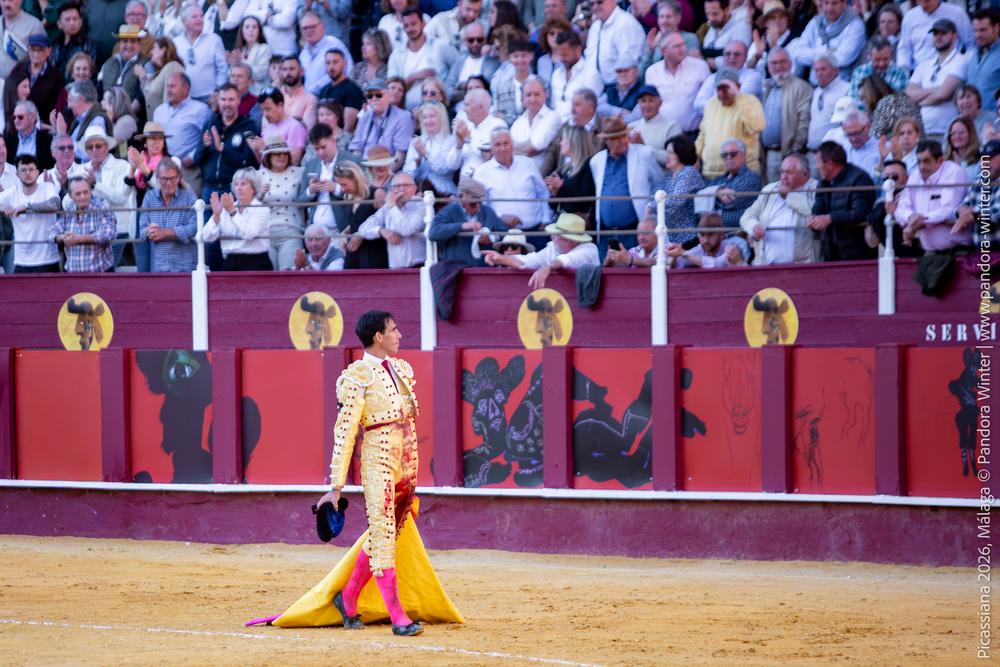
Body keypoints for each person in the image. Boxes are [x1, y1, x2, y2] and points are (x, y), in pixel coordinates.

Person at [317, 310, 426, 637]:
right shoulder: (357, 376)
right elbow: (345, 432)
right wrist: (336, 486)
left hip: (406, 462)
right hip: (378, 461)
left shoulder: (400, 369)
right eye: (394, 330)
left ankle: (348, 599)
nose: (399, 335)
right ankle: (398, 616)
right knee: (382, 534)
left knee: (386, 534)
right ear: (378, 336)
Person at [589, 116, 664, 255]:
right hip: (606, 234)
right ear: (607, 140)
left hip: (634, 232)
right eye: (617, 138)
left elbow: (659, 183)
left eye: (624, 135)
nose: (623, 140)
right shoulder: (596, 161)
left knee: (633, 267)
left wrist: (649, 208)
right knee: (606, 268)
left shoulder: (644, 153)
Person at [66, 125, 135, 267]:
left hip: (116, 231)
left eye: (98, 146)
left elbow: (121, 198)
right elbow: (66, 204)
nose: (94, 150)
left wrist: (95, 185)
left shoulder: (122, 166)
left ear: (106, 147)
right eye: (89, 147)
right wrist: (74, 193)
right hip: (87, 232)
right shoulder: (79, 169)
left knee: (104, 272)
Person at [483, 211, 599, 289]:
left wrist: (548, 267)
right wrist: (502, 259)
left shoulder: (589, 250)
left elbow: (568, 259)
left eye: (555, 234)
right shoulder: (553, 248)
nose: (551, 237)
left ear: (568, 240)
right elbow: (531, 259)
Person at [893, 140, 971, 253]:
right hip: (930, 252)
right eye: (919, 161)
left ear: (940, 160)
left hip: (958, 251)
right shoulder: (915, 176)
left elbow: (948, 210)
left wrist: (918, 222)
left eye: (926, 161)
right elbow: (901, 208)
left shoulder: (953, 172)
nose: (921, 166)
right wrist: (911, 217)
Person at [740, 152, 818, 264]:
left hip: (801, 266)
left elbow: (816, 213)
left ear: (805, 174)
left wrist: (789, 196)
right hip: (765, 265)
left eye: (789, 172)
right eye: (782, 171)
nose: (783, 177)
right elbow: (747, 216)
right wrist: (754, 227)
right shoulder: (770, 189)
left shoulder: (816, 189)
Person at [809, 140, 876, 261]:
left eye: (818, 162)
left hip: (857, 253)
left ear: (829, 164)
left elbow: (861, 213)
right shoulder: (823, 182)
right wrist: (814, 218)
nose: (817, 167)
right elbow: (818, 206)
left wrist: (830, 218)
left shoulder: (860, 179)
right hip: (831, 251)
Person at [904, 19, 969, 143]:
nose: (938, 37)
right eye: (935, 34)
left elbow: (943, 94)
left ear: (954, 36)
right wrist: (936, 89)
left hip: (947, 131)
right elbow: (908, 94)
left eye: (943, 33)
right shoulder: (925, 63)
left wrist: (918, 101)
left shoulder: (961, 61)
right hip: (921, 131)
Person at [474, 128, 550, 231]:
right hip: (503, 233)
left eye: (506, 143)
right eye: (497, 144)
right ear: (491, 148)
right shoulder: (481, 172)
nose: (502, 148)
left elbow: (543, 194)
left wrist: (546, 220)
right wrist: (500, 216)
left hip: (536, 230)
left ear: (512, 145)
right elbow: (480, 206)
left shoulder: (529, 163)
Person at [695, 69, 765, 179]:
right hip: (710, 173)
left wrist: (738, 95)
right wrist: (695, 156)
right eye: (719, 88)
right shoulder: (710, 104)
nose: (723, 92)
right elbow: (703, 134)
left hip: (741, 173)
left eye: (727, 88)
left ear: (738, 86)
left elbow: (756, 126)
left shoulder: (750, 101)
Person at [387, 8, 458, 111]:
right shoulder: (396, 54)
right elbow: (391, 89)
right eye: (406, 25)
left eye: (413, 24)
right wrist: (413, 77)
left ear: (423, 24)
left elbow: (459, 64)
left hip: (437, 112)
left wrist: (447, 87)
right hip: (406, 113)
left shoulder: (440, 45)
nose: (410, 28)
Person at [201, 167, 272, 271]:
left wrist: (232, 212)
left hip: (256, 262)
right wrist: (216, 215)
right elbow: (207, 237)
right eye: (236, 184)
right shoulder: (227, 208)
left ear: (254, 188)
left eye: (243, 184)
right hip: (229, 262)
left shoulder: (261, 209)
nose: (239, 188)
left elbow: (249, 234)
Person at [152, 72, 212, 193]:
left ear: (186, 88)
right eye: (168, 86)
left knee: (190, 202)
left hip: (188, 168)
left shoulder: (200, 110)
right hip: (164, 168)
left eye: (173, 86)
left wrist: (193, 157)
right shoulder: (159, 111)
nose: (169, 90)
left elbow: (208, 137)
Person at [758, 46, 811, 183]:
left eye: (782, 62)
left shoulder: (801, 87)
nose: (778, 66)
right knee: (773, 193)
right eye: (774, 63)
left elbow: (804, 121)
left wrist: (795, 150)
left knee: (792, 193)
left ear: (790, 63)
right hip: (770, 155)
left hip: (790, 154)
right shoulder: (767, 87)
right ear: (768, 66)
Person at [1, 153, 61, 272]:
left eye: (31, 169)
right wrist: (3, 210)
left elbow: (54, 205)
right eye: (23, 170)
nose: (27, 173)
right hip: (21, 262)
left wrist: (26, 207)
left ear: (37, 172)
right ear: (17, 174)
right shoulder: (12, 192)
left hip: (48, 260)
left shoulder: (47, 187)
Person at [644, 31, 711, 136]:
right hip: (663, 135)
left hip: (694, 135)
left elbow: (710, 100)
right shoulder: (652, 72)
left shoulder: (700, 67)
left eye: (683, 45)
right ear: (663, 51)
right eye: (677, 46)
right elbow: (649, 104)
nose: (682, 49)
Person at [138, 159, 197, 273]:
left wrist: (165, 233)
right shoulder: (149, 197)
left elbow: (195, 227)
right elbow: (142, 231)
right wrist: (150, 232)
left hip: (185, 266)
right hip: (160, 266)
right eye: (165, 179)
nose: (169, 183)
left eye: (172, 178)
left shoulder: (189, 196)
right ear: (157, 178)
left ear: (178, 178)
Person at [48, 173, 117, 272]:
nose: (83, 196)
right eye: (78, 193)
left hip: (100, 273)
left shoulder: (102, 208)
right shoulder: (68, 212)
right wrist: (62, 237)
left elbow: (109, 233)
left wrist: (78, 239)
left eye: (85, 192)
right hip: (73, 274)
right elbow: (50, 232)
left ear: (90, 191)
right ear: (70, 195)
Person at [358, 171, 426, 268]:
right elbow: (363, 228)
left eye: (406, 185)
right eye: (397, 186)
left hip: (418, 268)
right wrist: (381, 231)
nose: (401, 189)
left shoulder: (421, 204)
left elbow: (407, 230)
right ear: (392, 189)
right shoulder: (388, 206)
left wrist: (392, 206)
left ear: (414, 189)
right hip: (395, 270)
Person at [428, 176, 501, 266]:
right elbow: (433, 233)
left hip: (483, 268)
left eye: (480, 202)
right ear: (460, 196)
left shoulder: (487, 211)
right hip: (456, 270)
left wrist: (491, 238)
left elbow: (502, 233)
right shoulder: (449, 211)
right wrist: (462, 226)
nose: (478, 206)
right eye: (473, 203)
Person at [787, 0, 866, 81]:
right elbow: (798, 53)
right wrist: (825, 50)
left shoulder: (855, 25)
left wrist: (812, 55)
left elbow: (842, 59)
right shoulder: (815, 22)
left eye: (834, 3)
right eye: (826, 3)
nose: (829, 8)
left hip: (843, 84)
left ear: (844, 3)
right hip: (815, 84)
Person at [258, 137, 305, 270]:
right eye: (277, 153)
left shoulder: (299, 172)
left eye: (285, 153)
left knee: (289, 275)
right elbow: (248, 205)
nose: (282, 156)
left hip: (290, 231)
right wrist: (260, 195)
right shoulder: (258, 175)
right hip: (265, 233)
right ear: (268, 157)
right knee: (268, 276)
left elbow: (307, 196)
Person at [331, 161, 387, 269]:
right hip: (353, 253)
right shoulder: (349, 197)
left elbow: (386, 223)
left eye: (344, 184)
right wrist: (345, 232)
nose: (342, 189)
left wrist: (363, 234)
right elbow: (356, 220)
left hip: (373, 252)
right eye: (339, 185)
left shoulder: (377, 193)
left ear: (356, 179)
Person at [350, 79, 415, 170]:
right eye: (370, 96)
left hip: (386, 169)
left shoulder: (403, 117)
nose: (374, 98)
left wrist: (381, 176)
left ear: (388, 95)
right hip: (363, 168)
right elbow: (357, 150)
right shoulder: (365, 117)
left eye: (378, 95)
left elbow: (400, 156)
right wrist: (356, 172)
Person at [865, 159, 924, 258]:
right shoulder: (880, 204)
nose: (890, 181)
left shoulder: (917, 197)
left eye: (894, 177)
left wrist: (896, 213)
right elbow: (872, 242)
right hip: (890, 255)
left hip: (916, 253)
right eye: (885, 178)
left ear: (906, 178)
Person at [896, 0, 973, 73]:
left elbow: (971, 44)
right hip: (918, 71)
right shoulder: (910, 16)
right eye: (919, 1)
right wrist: (904, 70)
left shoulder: (957, 13)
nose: (923, 4)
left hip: (950, 70)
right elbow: (904, 47)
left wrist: (962, 66)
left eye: (927, 1)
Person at [404, 101, 461, 197]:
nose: (428, 121)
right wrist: (418, 160)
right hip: (419, 192)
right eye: (424, 117)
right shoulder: (417, 141)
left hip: (444, 193)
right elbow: (408, 174)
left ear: (441, 118)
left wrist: (425, 153)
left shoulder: (451, 140)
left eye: (432, 116)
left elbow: (446, 169)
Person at [172, 3, 227, 102]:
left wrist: (218, 91)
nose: (199, 19)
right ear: (183, 21)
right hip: (183, 99)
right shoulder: (175, 43)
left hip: (209, 98)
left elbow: (222, 69)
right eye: (194, 16)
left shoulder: (214, 40)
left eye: (201, 16)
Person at [583, 0, 645, 85]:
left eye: (600, 2)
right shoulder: (595, 27)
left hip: (619, 86)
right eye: (591, 4)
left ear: (612, 1)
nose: (595, 7)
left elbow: (630, 64)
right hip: (595, 86)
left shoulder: (626, 23)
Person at [704, 138, 762, 229]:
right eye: (724, 155)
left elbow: (730, 202)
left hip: (737, 232)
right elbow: (701, 197)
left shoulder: (752, 177)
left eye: (733, 154)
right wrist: (717, 192)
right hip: (714, 233)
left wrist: (711, 196)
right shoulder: (718, 179)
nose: (728, 157)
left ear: (744, 155)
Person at [543, 124, 596, 221]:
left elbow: (587, 200)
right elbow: (553, 206)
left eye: (563, 139)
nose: (560, 143)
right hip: (564, 222)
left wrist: (561, 186)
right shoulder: (566, 168)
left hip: (578, 225)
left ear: (573, 142)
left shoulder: (589, 165)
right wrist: (555, 192)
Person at [450, 87, 507, 177]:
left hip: (488, 181)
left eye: (467, 105)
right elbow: (451, 165)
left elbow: (488, 155)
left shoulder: (498, 125)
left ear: (480, 107)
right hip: (465, 182)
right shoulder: (467, 126)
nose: (464, 109)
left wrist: (467, 138)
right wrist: (458, 146)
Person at [6, 34, 62, 124]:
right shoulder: (18, 69)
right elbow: (8, 95)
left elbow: (57, 107)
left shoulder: (56, 77)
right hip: (15, 122)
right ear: (28, 49)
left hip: (41, 126)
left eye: (41, 50)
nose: (36, 54)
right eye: (33, 49)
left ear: (49, 51)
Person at [548, 29, 602, 122]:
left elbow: (591, 112)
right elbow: (554, 106)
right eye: (560, 55)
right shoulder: (556, 74)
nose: (561, 59)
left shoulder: (591, 74)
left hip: (578, 127)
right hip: (555, 124)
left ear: (578, 50)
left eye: (565, 55)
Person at [509, 78, 560, 172]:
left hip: (540, 175)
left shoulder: (553, 117)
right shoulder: (518, 122)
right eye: (528, 95)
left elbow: (533, 148)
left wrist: (515, 148)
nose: (532, 99)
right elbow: (508, 149)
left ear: (545, 95)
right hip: (516, 172)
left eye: (536, 94)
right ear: (522, 98)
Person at [662, 134, 705, 245]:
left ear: (681, 154)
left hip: (690, 241)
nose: (666, 156)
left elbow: (676, 201)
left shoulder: (688, 172)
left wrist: (651, 205)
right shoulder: (670, 177)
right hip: (673, 240)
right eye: (666, 152)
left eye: (670, 153)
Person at [298, 10, 352, 95]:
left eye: (312, 27)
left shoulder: (334, 44)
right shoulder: (303, 54)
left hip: (334, 97)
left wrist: (310, 92)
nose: (308, 30)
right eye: (305, 28)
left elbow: (344, 73)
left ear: (322, 26)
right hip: (310, 99)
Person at [626, 85, 681, 167]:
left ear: (660, 103)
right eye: (643, 101)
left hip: (661, 174)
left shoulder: (672, 126)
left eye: (651, 100)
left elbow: (675, 158)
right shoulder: (631, 126)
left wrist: (643, 147)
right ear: (639, 104)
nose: (647, 105)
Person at [666, 212, 745, 268]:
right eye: (702, 235)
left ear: (721, 235)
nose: (705, 240)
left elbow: (716, 265)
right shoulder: (700, 248)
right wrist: (675, 256)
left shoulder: (731, 247)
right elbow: (679, 265)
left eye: (710, 235)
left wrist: (683, 254)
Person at [251, 86, 307, 165]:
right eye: (262, 110)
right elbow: (263, 164)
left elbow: (294, 161)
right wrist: (256, 150)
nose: (265, 114)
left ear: (280, 105)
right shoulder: (268, 127)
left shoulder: (295, 127)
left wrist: (266, 150)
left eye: (268, 109)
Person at [136, 36, 185, 120]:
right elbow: (148, 92)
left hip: (165, 124)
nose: (150, 52)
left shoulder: (172, 67)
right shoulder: (161, 71)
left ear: (163, 50)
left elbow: (170, 102)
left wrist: (142, 76)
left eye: (153, 48)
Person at [318, 48, 364, 132]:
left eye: (335, 62)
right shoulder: (323, 90)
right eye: (328, 63)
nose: (331, 67)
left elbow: (348, 128)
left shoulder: (353, 90)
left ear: (344, 63)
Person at [848, 37, 909, 101]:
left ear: (890, 55)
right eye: (877, 60)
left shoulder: (900, 73)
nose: (881, 64)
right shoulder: (859, 72)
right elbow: (854, 99)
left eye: (885, 59)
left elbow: (897, 100)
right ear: (869, 56)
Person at [98, 25, 146, 104]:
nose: (129, 45)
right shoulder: (108, 63)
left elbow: (144, 95)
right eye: (125, 41)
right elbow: (98, 92)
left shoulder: (146, 64)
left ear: (139, 44)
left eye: (133, 41)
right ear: (119, 44)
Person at [700, 0, 751, 70]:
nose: (710, 18)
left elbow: (736, 61)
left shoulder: (741, 27)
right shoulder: (713, 25)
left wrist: (703, 60)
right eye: (707, 14)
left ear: (727, 10)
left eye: (715, 14)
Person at [50, 3, 97, 77]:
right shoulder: (55, 44)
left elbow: (93, 72)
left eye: (75, 19)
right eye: (67, 19)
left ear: (81, 22)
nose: (72, 23)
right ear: (59, 24)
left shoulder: (89, 46)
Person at [0, 0, 44, 79]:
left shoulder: (34, 26)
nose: (6, 4)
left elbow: (41, 62)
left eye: (10, 0)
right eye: (3, 0)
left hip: (20, 83)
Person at [228, 15, 272, 94]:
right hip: (240, 94)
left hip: (257, 94)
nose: (251, 30)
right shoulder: (241, 49)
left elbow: (260, 74)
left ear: (259, 31)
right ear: (242, 31)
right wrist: (232, 64)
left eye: (254, 27)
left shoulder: (264, 48)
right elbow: (230, 76)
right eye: (247, 27)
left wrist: (241, 62)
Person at [967, 9, 1000, 113]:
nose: (978, 35)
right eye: (975, 30)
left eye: (983, 30)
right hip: (972, 119)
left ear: (996, 28)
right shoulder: (973, 54)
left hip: (995, 119)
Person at [5, 100, 53, 169]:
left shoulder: (47, 141)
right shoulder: (8, 141)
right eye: (14, 117)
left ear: (32, 117)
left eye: (20, 117)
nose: (16, 120)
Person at [279, 56, 319, 131]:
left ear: (301, 72)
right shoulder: (275, 96)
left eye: (292, 69)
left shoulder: (310, 99)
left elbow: (307, 130)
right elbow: (267, 127)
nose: (288, 73)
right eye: (285, 69)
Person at [101, 87, 138, 157]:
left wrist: (109, 119)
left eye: (104, 99)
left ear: (113, 103)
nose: (101, 102)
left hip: (127, 162)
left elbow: (106, 145)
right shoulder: (117, 121)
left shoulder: (126, 121)